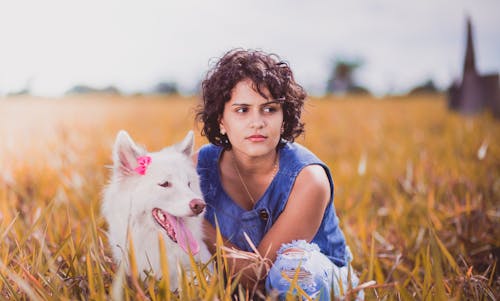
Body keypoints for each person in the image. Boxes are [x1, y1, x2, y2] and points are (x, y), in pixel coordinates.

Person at [194, 48, 360, 300]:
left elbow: (259, 274)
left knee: (292, 271)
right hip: (233, 283)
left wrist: (193, 226)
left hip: (316, 283)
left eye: (269, 109)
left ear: (284, 119)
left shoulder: (309, 180)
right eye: (242, 110)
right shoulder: (195, 168)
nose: (257, 122)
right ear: (221, 121)